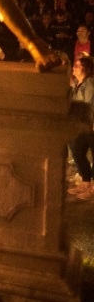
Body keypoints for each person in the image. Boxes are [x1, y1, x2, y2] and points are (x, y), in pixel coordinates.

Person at [68, 56, 94, 200]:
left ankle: (92, 189)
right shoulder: (77, 83)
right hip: (82, 124)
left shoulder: (89, 85)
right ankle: (85, 183)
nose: (74, 67)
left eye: (77, 65)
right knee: (77, 151)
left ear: (85, 68)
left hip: (91, 124)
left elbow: (89, 105)